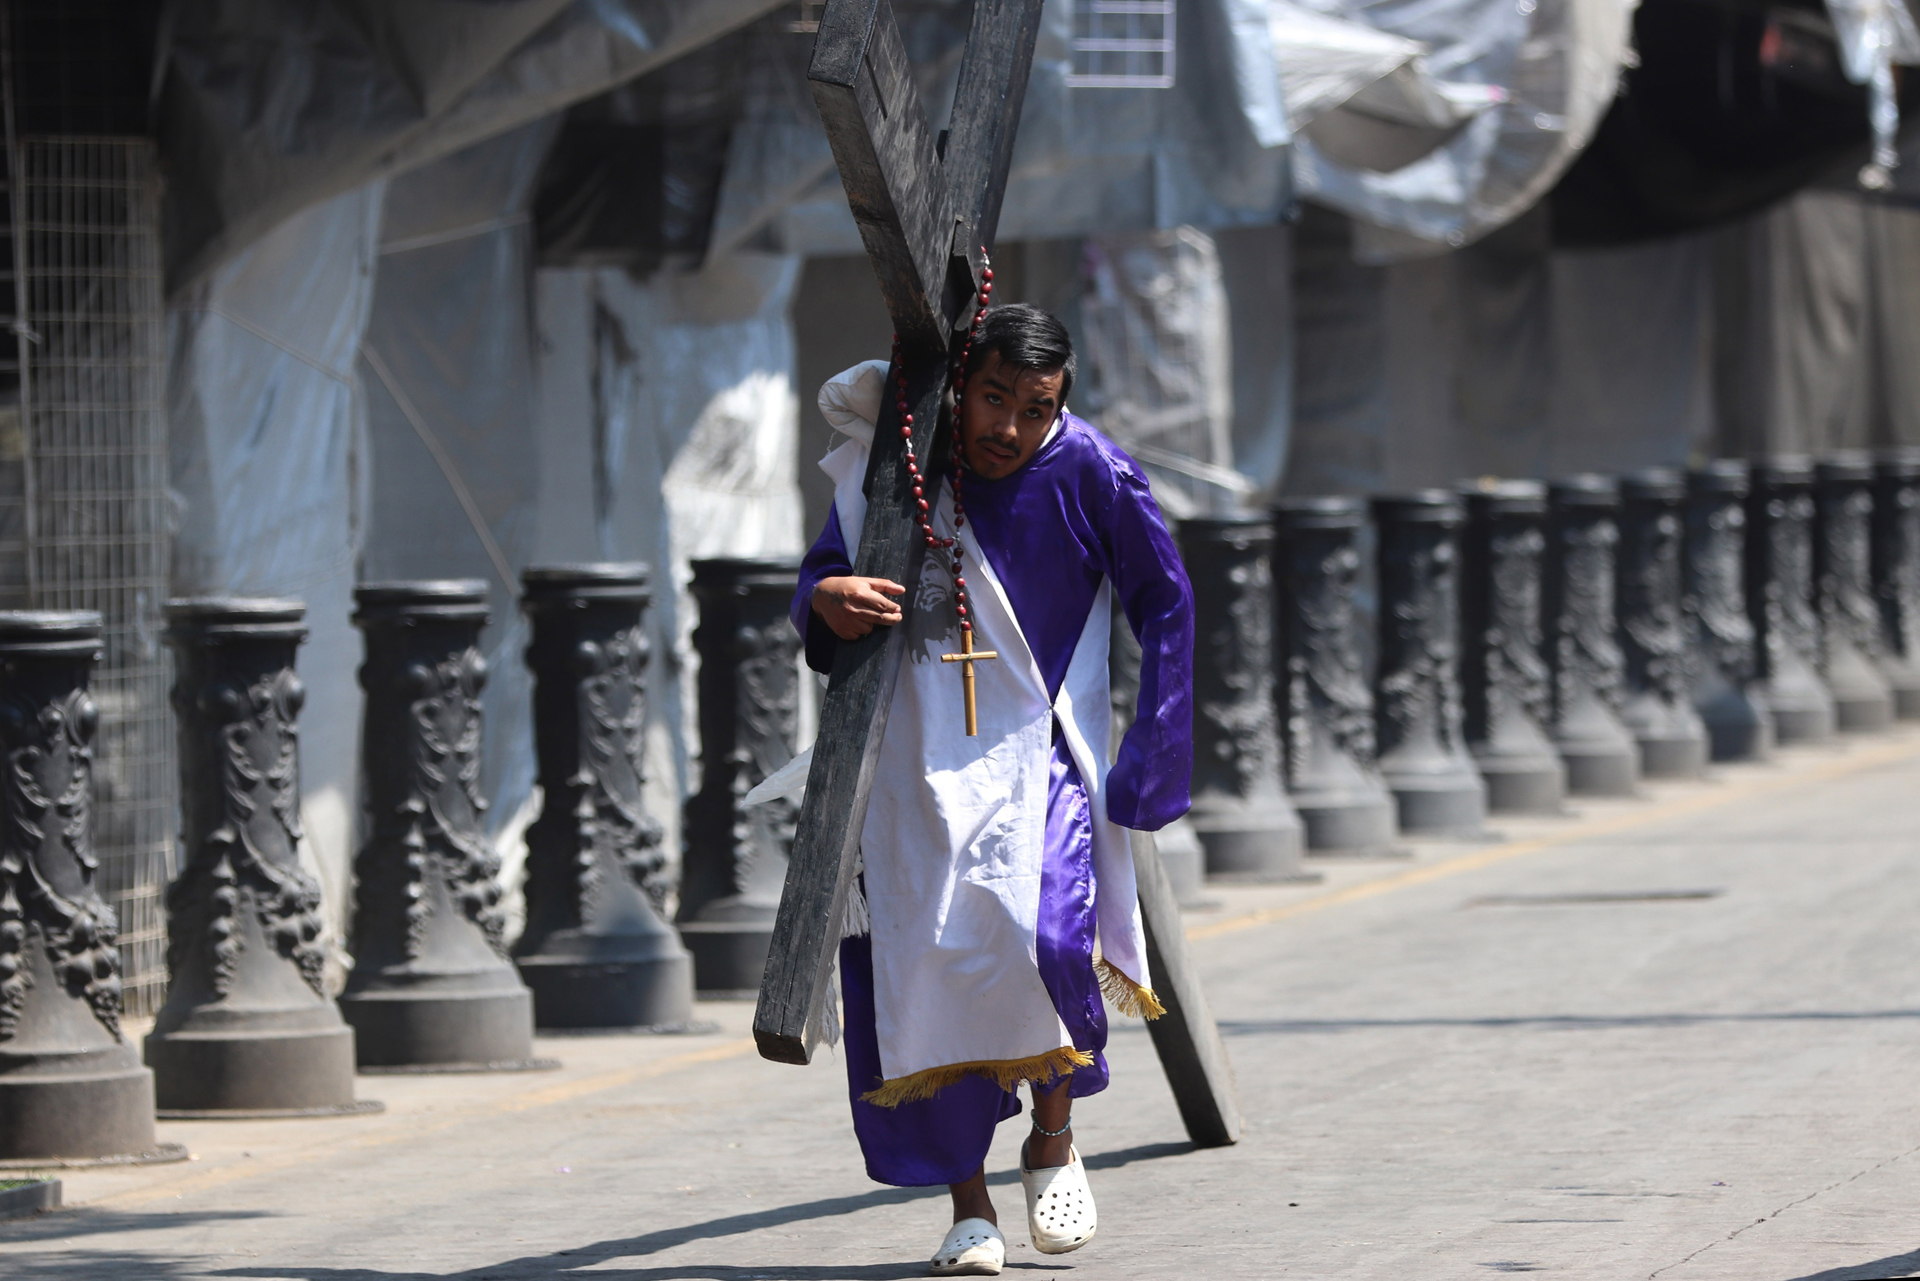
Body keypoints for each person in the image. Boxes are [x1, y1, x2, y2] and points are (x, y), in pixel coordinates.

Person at [791, 304, 1194, 1277]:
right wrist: (826, 601)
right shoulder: (895, 470)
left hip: (1040, 750)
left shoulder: (1094, 471)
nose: (1006, 427)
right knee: (931, 969)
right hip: (916, 765)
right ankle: (966, 1203)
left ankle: (1052, 1139)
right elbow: (824, 578)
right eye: (991, 398)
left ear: (1062, 403)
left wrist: (1158, 741)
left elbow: (1167, 598)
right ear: (960, 389)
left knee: (1048, 936)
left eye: (1034, 405)